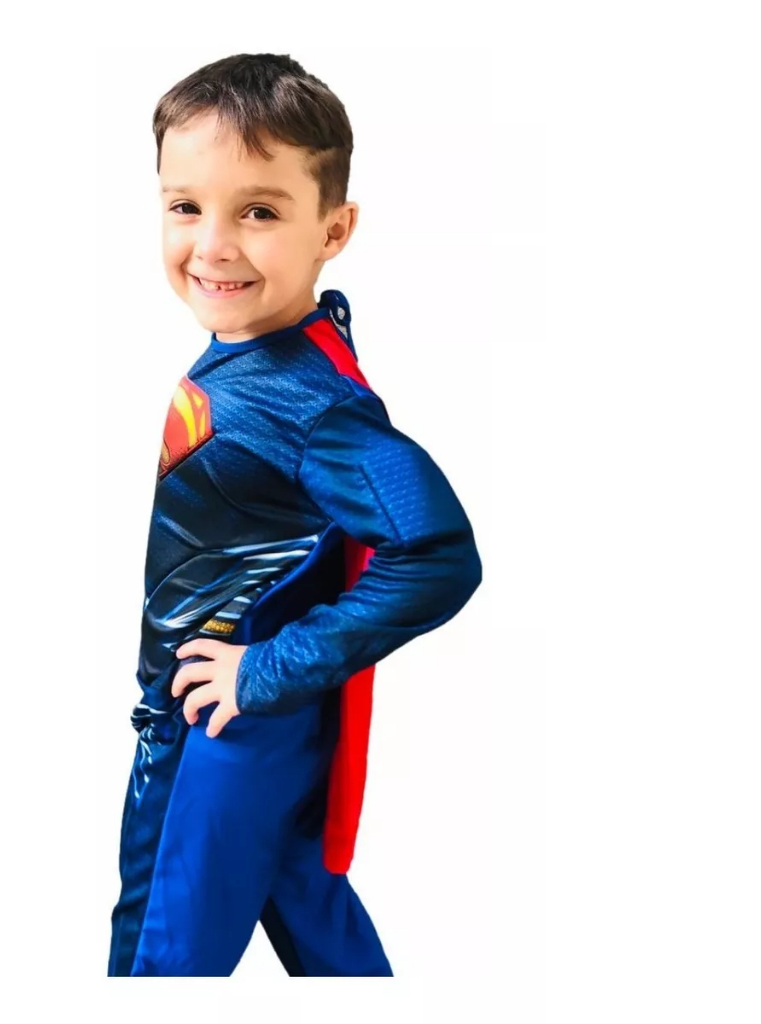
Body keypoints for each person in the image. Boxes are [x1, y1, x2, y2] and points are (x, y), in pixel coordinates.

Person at [107, 52, 482, 977]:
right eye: (186, 205)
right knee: (323, 937)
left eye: (260, 212)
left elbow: (438, 553)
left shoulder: (308, 402)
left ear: (333, 229)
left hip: (221, 734)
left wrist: (267, 670)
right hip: (253, 726)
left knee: (159, 964)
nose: (213, 244)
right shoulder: (265, 355)